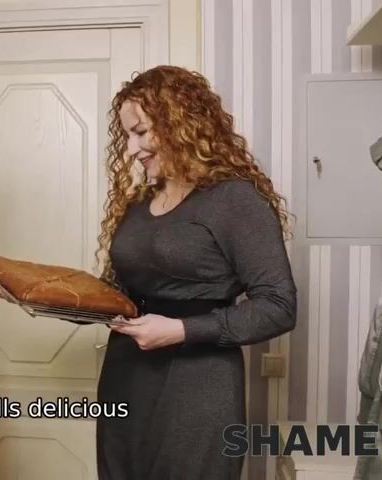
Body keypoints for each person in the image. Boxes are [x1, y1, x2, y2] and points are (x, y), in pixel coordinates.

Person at [94, 65, 297, 479]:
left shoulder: (234, 199)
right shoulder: (138, 203)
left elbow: (278, 306)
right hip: (125, 377)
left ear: (179, 122)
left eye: (141, 132)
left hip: (197, 384)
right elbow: (117, 292)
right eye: (127, 135)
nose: (131, 149)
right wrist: (49, 296)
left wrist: (181, 330)